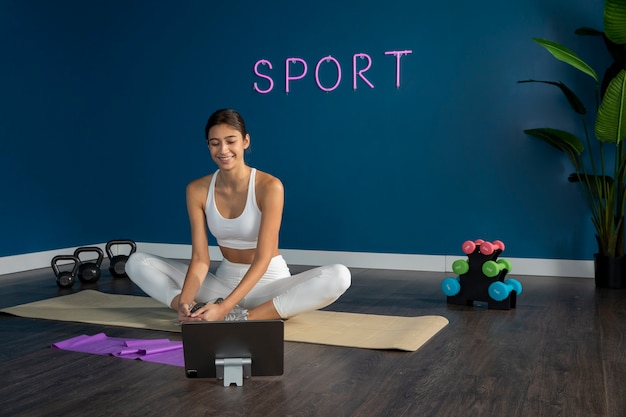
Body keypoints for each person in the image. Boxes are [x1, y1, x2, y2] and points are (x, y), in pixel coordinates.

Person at [125, 108, 351, 323]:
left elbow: (262, 259)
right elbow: (201, 259)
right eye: (215, 143)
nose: (223, 150)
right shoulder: (197, 190)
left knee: (340, 275)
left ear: (245, 141)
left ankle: (244, 316)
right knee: (136, 262)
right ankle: (194, 311)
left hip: (270, 286)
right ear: (209, 146)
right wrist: (183, 301)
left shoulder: (269, 186)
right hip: (223, 285)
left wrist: (224, 309)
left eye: (231, 141)